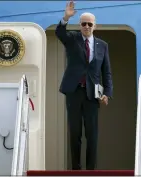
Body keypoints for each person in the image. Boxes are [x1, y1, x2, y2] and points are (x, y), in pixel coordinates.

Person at [55, 0, 113, 170]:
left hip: (92, 94)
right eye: (83, 24)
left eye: (89, 24)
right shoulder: (72, 39)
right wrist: (66, 17)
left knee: (92, 135)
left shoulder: (102, 46)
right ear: (79, 25)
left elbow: (106, 72)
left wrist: (107, 94)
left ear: (95, 25)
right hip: (74, 91)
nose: (86, 27)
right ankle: (76, 169)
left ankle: (91, 170)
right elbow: (59, 32)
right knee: (75, 133)